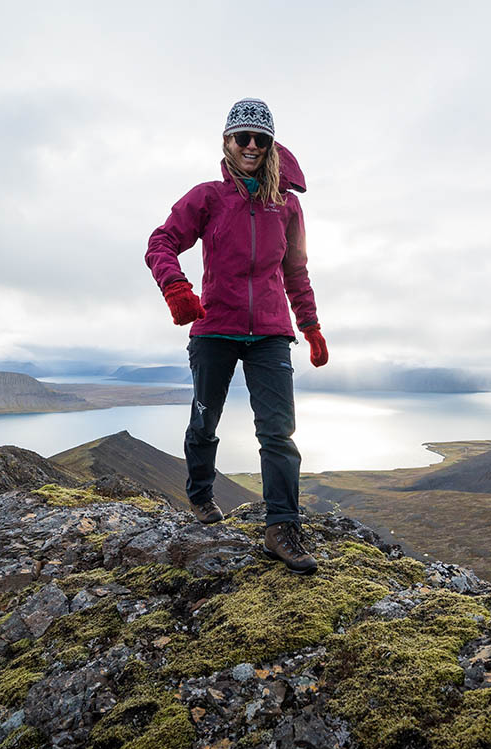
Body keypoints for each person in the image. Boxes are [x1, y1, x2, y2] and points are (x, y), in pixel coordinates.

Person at [145, 98, 328, 576]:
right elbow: (160, 242)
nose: (251, 145)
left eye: (260, 139)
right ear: (226, 141)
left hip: (269, 332)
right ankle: (201, 496)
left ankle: (281, 527)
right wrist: (175, 286)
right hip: (215, 327)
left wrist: (310, 325)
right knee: (204, 423)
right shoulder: (207, 197)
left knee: (278, 433)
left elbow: (296, 271)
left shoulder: (286, 206)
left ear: (271, 147)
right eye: (242, 137)